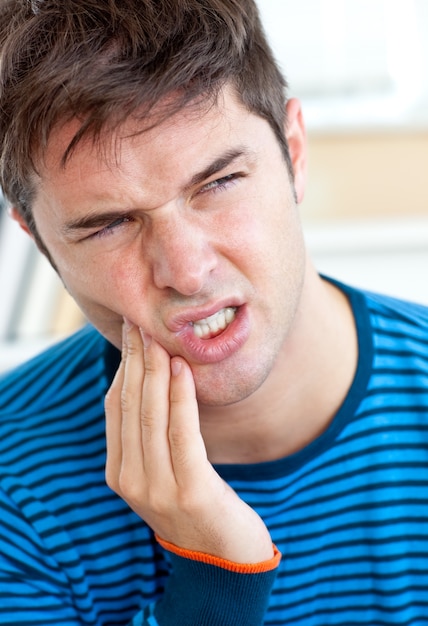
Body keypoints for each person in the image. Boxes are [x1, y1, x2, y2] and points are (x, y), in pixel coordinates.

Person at [0, 0, 427, 624]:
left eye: (219, 183)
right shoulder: (13, 490)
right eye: (111, 224)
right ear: (38, 239)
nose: (188, 270)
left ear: (294, 151)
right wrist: (215, 580)